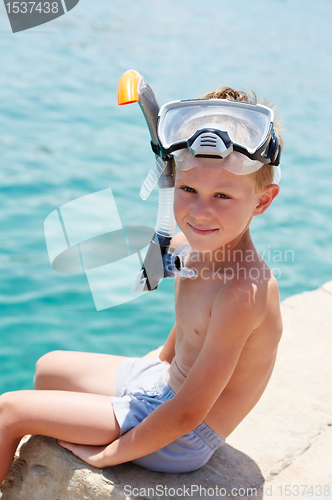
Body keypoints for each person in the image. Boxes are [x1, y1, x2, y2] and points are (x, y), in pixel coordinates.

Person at [0, 87, 283, 481]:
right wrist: (159, 237)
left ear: (262, 201)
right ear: (172, 183)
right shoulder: (190, 246)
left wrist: (112, 454)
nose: (200, 212)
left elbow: (187, 411)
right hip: (163, 382)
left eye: (222, 195)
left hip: (182, 435)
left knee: (8, 411)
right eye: (189, 190)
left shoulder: (243, 293)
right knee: (49, 368)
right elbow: (182, 318)